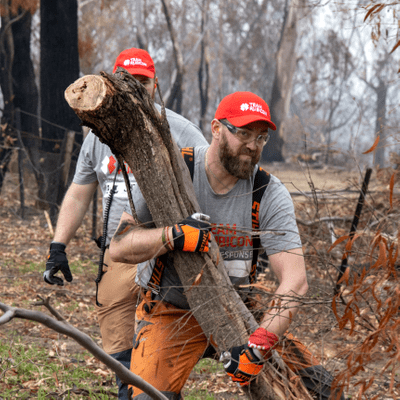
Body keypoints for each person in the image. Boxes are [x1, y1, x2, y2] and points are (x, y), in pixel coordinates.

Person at [109, 91, 345, 400]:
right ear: (217, 129)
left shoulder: (267, 191)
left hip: (239, 306)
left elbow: (295, 281)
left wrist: (260, 344)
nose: (252, 145)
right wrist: (173, 237)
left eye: (261, 138)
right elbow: (120, 246)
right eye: (244, 133)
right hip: (171, 309)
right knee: (146, 398)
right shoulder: (173, 171)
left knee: (321, 389)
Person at [42, 47, 208, 399]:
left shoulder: (182, 132)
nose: (135, 88)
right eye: (126, 81)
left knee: (157, 359)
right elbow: (77, 192)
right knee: (120, 354)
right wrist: (58, 246)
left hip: (169, 251)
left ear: (155, 84)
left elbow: (211, 187)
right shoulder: (95, 138)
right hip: (117, 253)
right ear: (112, 84)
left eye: (143, 82)